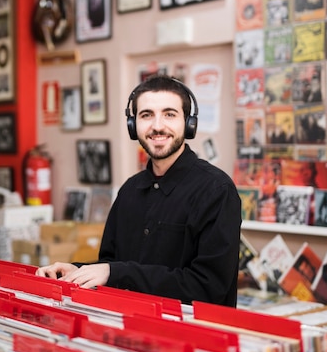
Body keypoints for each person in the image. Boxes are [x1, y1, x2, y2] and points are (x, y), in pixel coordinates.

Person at [36, 74, 242, 306]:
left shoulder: (216, 190)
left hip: (193, 336)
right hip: (127, 328)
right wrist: (78, 270)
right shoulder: (129, 191)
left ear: (189, 123)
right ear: (133, 126)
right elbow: (113, 265)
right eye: (146, 115)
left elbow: (208, 288)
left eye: (169, 114)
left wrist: (117, 273)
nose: (157, 126)